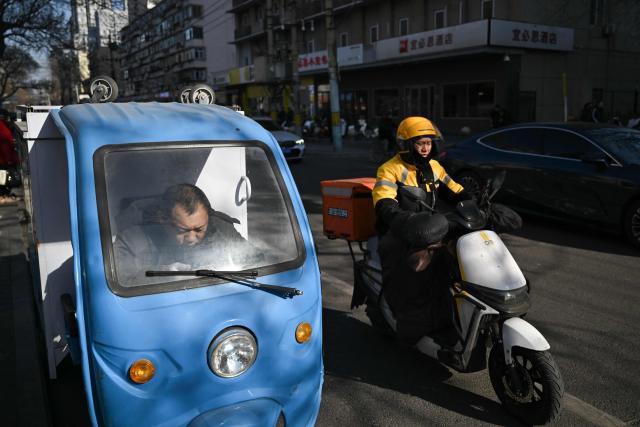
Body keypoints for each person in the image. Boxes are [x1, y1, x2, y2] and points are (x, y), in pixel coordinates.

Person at [372, 116, 469, 344]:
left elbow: (453, 190)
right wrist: (400, 218)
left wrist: (473, 201)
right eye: (419, 143)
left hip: (430, 228)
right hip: (400, 233)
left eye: (428, 142)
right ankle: (412, 323)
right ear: (406, 144)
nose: (425, 148)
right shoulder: (390, 169)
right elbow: (384, 201)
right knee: (416, 274)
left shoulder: (433, 166)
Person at [114, 183, 261, 285]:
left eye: (199, 229)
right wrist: (162, 277)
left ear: (208, 219)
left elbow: (258, 261)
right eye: (182, 230)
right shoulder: (133, 241)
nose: (191, 238)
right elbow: (115, 283)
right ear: (163, 220)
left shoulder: (220, 229)